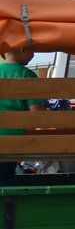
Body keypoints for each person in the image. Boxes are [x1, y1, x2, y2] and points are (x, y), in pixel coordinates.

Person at [0, 46, 45, 185]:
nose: (34, 54)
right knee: (5, 176)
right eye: (32, 50)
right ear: (21, 49)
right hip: (12, 140)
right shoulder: (27, 75)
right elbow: (36, 114)